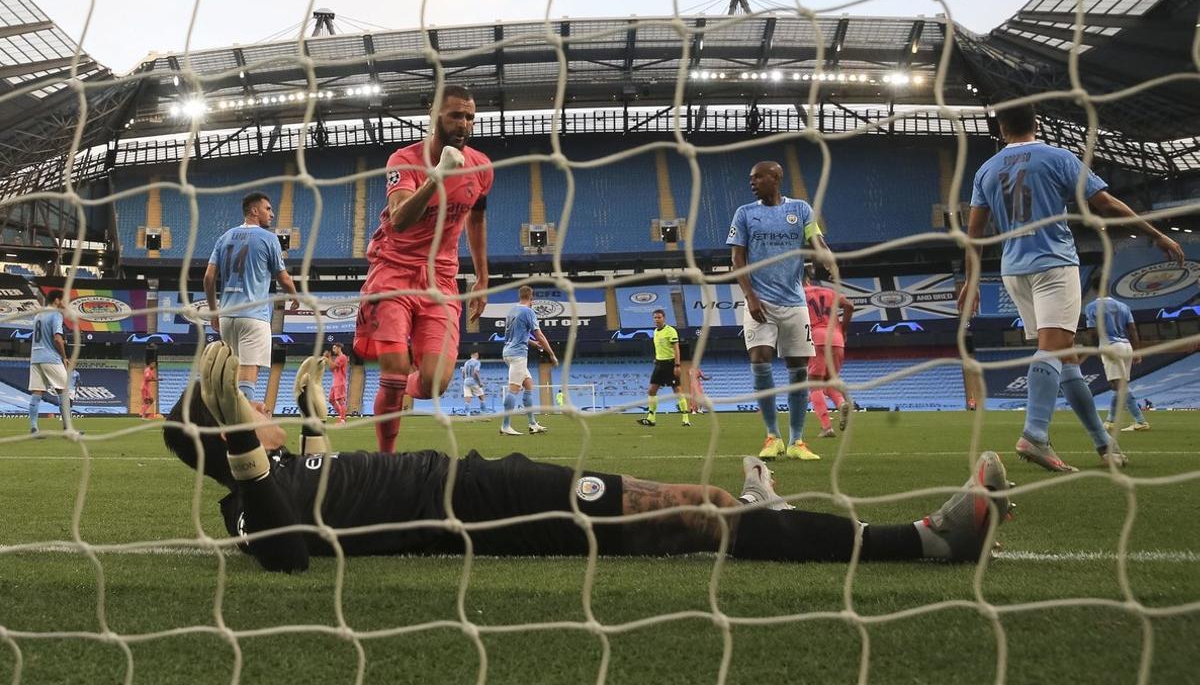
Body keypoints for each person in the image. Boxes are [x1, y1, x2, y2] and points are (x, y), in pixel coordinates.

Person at [160, 342, 1014, 574]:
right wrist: (246, 449)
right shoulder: (247, 506)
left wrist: (313, 419)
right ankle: (924, 543)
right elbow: (287, 556)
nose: (260, 413)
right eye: (245, 412)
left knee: (696, 504)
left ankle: (767, 512)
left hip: (485, 481)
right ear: (226, 444)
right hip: (491, 511)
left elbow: (314, 479)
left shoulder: (275, 474)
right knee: (694, 513)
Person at [959, 103, 1182, 471]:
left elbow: (973, 234)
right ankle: (1034, 434)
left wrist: (970, 279)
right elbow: (1104, 202)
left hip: (1013, 270)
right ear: (1035, 123)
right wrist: (1155, 233)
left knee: (1066, 357)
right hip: (1053, 264)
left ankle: (1103, 443)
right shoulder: (1058, 156)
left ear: (1001, 128)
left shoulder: (985, 170)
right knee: (1053, 349)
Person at [354, 85, 493, 453]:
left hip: (441, 281)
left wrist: (482, 275)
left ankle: (410, 380)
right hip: (393, 272)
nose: (464, 124)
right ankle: (386, 459)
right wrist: (438, 177)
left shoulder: (481, 168)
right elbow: (399, 220)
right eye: (456, 116)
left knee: (434, 385)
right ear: (435, 118)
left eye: (470, 117)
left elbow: (476, 221)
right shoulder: (404, 159)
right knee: (394, 369)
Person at [728, 161, 830, 461]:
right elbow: (737, 258)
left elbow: (817, 240)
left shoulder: (801, 210)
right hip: (760, 301)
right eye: (751, 177)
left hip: (794, 302)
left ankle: (797, 441)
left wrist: (827, 259)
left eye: (758, 176)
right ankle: (772, 436)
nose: (752, 181)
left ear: (776, 178)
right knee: (759, 358)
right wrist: (750, 297)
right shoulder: (745, 213)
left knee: (798, 367)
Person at [204, 191, 298, 407]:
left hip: (227, 317)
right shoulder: (269, 238)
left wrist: (213, 310)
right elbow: (282, 276)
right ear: (255, 211)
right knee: (248, 371)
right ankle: (242, 429)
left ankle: (228, 422)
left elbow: (209, 277)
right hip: (253, 317)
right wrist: (294, 294)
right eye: (268, 209)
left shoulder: (224, 237)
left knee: (232, 372)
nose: (272, 214)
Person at [1084, 296, 1149, 432]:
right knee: (1117, 384)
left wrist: (1096, 349)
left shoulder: (1091, 306)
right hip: (1126, 346)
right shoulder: (1123, 306)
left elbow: (1092, 333)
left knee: (1119, 385)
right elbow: (1133, 329)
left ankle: (1140, 420)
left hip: (1110, 346)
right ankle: (1110, 420)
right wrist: (1136, 351)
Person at [804, 267, 855, 436]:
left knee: (815, 385)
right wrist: (844, 330)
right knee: (830, 380)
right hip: (837, 339)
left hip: (817, 338)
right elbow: (849, 305)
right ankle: (841, 404)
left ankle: (826, 427)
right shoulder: (830, 292)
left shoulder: (801, 293)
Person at [500, 286, 557, 435]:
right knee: (514, 389)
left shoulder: (512, 311)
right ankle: (505, 426)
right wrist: (551, 353)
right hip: (518, 354)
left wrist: (533, 344)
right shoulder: (528, 311)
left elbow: (515, 335)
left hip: (508, 351)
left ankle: (532, 424)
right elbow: (539, 335)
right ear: (532, 298)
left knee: (529, 385)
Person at [27, 289, 75, 436]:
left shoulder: (38, 315)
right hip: (50, 357)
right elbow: (57, 338)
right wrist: (65, 357)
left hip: (35, 357)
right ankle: (68, 429)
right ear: (56, 300)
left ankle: (34, 428)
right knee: (64, 391)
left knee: (37, 392)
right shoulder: (56, 314)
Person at [640, 309, 691, 428]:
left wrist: (677, 365)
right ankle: (651, 418)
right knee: (651, 390)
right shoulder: (655, 332)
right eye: (655, 318)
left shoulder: (671, 331)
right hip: (659, 364)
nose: (657, 320)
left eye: (659, 317)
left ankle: (685, 418)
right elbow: (659, 348)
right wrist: (656, 358)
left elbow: (676, 349)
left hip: (670, 364)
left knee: (677, 390)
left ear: (664, 318)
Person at [325, 343, 349, 424]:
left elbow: (332, 367)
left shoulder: (342, 357)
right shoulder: (338, 358)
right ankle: (342, 417)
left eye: (334, 348)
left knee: (340, 401)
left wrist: (328, 358)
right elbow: (332, 369)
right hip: (335, 381)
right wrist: (329, 359)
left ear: (339, 348)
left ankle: (342, 420)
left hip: (340, 382)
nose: (333, 350)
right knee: (331, 400)